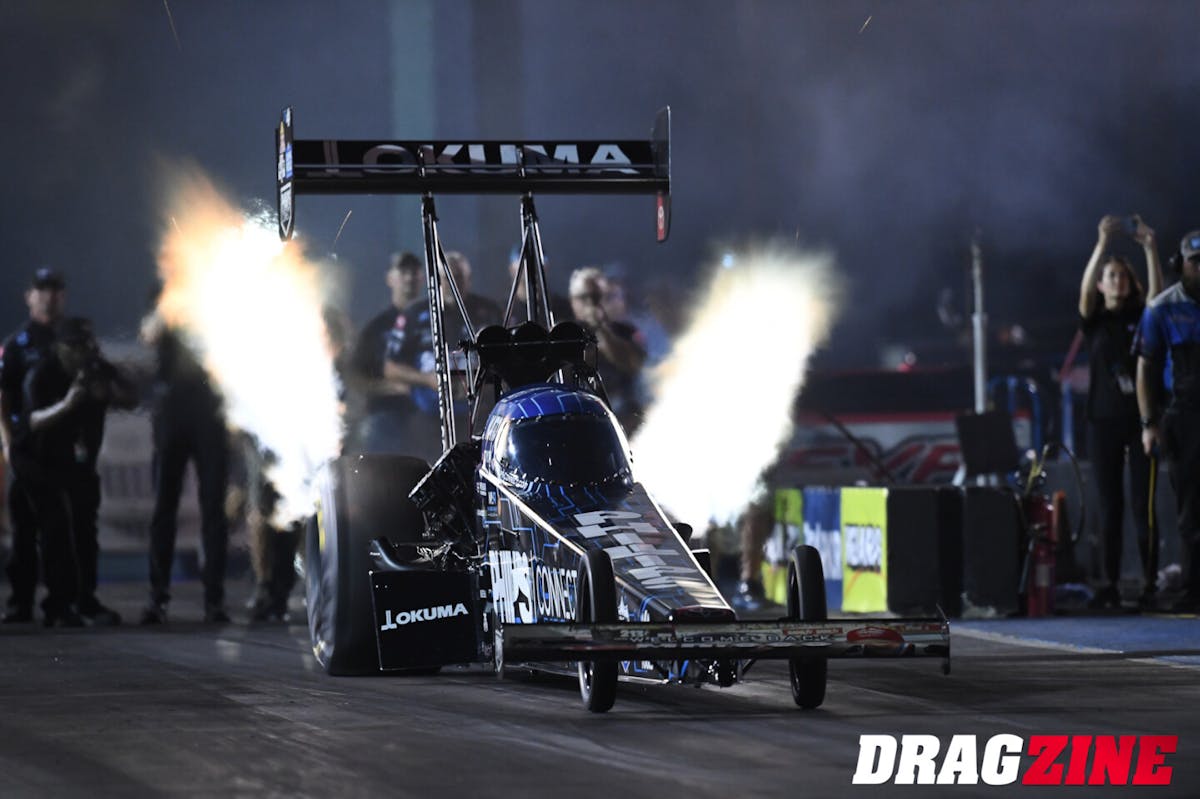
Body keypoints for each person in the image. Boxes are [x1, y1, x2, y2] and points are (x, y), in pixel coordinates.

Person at [1078, 214, 1163, 609]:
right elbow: (1084, 293)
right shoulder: (1094, 321)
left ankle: (1149, 584)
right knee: (1109, 507)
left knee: (1141, 507)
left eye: (1121, 276)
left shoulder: (1140, 318)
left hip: (1139, 422)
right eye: (1110, 276)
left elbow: (1156, 300)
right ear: (1101, 284)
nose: (1116, 281)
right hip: (1102, 423)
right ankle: (1108, 585)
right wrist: (1101, 244)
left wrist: (1149, 249)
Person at [139, 303, 231, 624]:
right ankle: (157, 596)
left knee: (214, 510)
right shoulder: (171, 288)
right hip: (173, 414)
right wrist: (173, 302)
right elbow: (148, 334)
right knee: (165, 506)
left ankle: (214, 600)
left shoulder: (223, 288)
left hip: (211, 413)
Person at [1137, 229, 1200, 614]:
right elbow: (1146, 367)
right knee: (1190, 508)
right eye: (1197, 262)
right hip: (1183, 417)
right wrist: (1148, 422)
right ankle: (1193, 587)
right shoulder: (1161, 307)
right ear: (1181, 265)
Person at [1, 268, 67, 623]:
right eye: (42, 289)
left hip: (62, 451)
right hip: (27, 451)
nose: (48, 296)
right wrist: (8, 446)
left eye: (55, 289)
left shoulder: (72, 340)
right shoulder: (18, 344)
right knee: (24, 532)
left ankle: (59, 604)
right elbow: (3, 397)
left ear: (63, 296)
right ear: (30, 296)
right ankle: (20, 604)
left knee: (60, 531)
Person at [389, 251, 501, 458]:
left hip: (481, 411)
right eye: (447, 277)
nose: (453, 282)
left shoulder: (490, 310)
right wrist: (427, 380)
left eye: (459, 276)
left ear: (469, 278)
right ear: (436, 279)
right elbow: (391, 367)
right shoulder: (415, 314)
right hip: (431, 412)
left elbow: (505, 357)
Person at [347, 252, 422, 453]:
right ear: (390, 278)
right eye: (403, 271)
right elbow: (354, 378)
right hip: (388, 419)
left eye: (414, 271)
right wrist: (390, 387)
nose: (409, 277)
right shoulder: (376, 329)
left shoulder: (431, 321)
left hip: (428, 419)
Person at [569, 266, 647, 434]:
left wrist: (601, 329)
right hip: (588, 425)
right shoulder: (567, 338)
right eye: (586, 298)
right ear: (574, 302)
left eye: (598, 297)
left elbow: (633, 364)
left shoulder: (626, 332)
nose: (593, 304)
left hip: (630, 418)